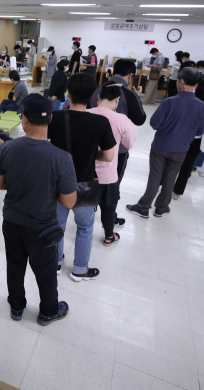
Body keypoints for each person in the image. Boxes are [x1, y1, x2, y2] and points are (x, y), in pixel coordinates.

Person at [0, 94, 76, 325]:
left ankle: (17, 306)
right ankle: (48, 311)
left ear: (24, 119)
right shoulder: (62, 158)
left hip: (13, 222)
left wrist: (19, 182)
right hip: (43, 227)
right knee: (45, 272)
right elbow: (69, 201)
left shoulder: (8, 149)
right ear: (50, 120)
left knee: (15, 266)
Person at [48, 73, 116, 281]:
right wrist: (88, 153)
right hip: (85, 185)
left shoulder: (55, 118)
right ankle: (79, 269)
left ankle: (56, 263)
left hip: (57, 185)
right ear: (92, 96)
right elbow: (108, 156)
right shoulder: (100, 122)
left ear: (68, 94)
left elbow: (42, 147)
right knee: (85, 228)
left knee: (57, 226)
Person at [126, 68, 204, 219]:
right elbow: (201, 130)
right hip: (182, 148)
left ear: (181, 82)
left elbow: (154, 123)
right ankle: (161, 208)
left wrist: (168, 127)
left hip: (161, 146)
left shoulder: (170, 102)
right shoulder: (201, 105)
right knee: (171, 177)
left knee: (155, 176)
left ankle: (143, 207)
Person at [89, 58, 146, 228]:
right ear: (130, 75)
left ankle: (87, 211)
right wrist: (137, 97)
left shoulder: (96, 90)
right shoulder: (128, 94)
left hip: (90, 148)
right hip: (117, 151)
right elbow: (140, 119)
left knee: (89, 180)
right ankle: (110, 219)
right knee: (113, 185)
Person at [89, 82, 137, 246]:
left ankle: (84, 232)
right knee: (108, 206)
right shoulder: (120, 119)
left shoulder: (87, 114)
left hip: (85, 172)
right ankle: (109, 235)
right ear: (117, 100)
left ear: (99, 97)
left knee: (85, 205)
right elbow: (130, 143)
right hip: (108, 174)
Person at [172, 74, 204, 200]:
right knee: (187, 166)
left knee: (173, 162)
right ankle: (177, 192)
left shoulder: (187, 97)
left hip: (181, 135)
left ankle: (164, 185)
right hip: (199, 138)